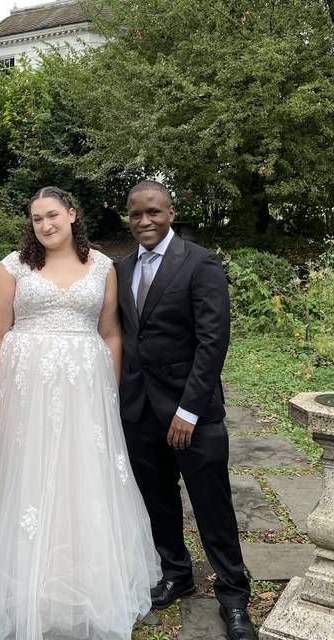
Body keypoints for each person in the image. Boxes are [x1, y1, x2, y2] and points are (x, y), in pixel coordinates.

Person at [0, 187, 159, 640]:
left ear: (72, 215)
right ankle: (23, 571)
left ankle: (79, 568)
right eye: (37, 218)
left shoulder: (102, 266)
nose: (45, 225)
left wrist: (109, 392)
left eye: (53, 215)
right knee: (30, 472)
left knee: (83, 473)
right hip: (26, 387)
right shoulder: (13, 266)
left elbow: (111, 332)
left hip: (85, 389)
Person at [116, 180, 257, 640]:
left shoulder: (200, 263)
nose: (144, 222)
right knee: (158, 500)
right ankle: (176, 571)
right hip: (138, 410)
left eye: (153, 212)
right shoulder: (121, 269)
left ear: (171, 212)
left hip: (190, 413)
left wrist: (189, 411)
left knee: (212, 506)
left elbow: (213, 342)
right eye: (136, 214)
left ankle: (234, 596)